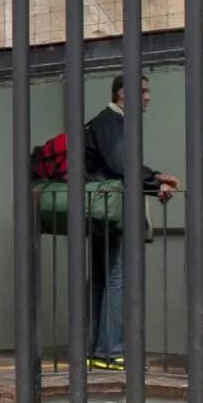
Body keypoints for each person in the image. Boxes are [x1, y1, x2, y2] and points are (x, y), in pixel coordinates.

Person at [81, 76, 181, 370]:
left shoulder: (108, 121)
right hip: (111, 214)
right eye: (145, 91)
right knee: (115, 279)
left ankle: (98, 350)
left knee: (102, 280)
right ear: (124, 94)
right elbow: (121, 164)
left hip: (101, 212)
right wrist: (155, 182)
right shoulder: (111, 121)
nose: (149, 98)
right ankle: (111, 351)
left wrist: (154, 178)